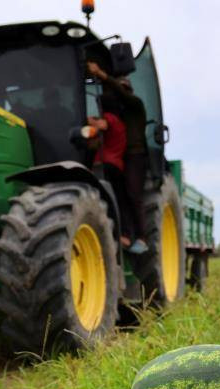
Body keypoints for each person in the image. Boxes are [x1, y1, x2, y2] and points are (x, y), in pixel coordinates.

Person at [86, 60, 148, 254]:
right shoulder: (117, 117)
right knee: (118, 194)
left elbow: (118, 97)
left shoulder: (136, 105)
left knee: (131, 194)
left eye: (122, 90)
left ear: (128, 90)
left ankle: (141, 237)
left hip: (135, 156)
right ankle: (121, 233)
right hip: (119, 158)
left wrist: (102, 74)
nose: (119, 94)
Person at [87, 93, 134, 248]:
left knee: (103, 199)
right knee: (120, 200)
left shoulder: (109, 118)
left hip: (105, 164)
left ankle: (114, 234)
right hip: (117, 166)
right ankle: (125, 235)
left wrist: (88, 120)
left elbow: (102, 125)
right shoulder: (122, 124)